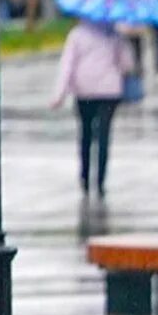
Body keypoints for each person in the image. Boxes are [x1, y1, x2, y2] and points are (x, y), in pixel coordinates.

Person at [52, 17, 134, 196]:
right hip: (109, 92)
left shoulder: (77, 35)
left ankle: (85, 177)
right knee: (104, 135)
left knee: (86, 134)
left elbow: (67, 65)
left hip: (84, 91)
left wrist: (60, 94)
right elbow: (127, 64)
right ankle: (101, 179)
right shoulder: (114, 34)